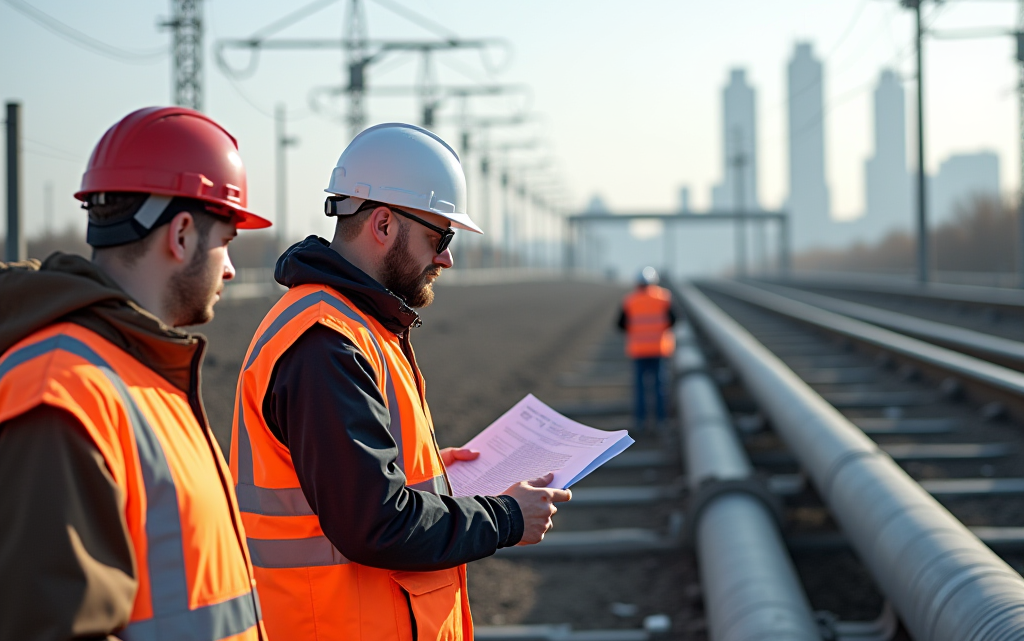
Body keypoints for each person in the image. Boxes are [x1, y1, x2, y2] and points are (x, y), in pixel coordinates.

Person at [230, 122, 571, 641]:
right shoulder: (326, 343)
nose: (446, 257)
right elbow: (376, 522)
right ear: (384, 223)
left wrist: (432, 475)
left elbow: (354, 486)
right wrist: (506, 517)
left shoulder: (357, 328)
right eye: (440, 237)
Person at [0, 107, 271, 641]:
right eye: (226, 242)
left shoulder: (145, 372)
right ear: (182, 234)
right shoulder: (62, 392)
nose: (230, 268)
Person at [618, 266, 676, 431]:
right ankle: (661, 420)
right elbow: (673, 320)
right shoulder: (664, 298)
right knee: (659, 386)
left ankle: (640, 420)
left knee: (640, 388)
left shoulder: (630, 300)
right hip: (659, 350)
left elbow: (620, 324)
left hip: (638, 351)